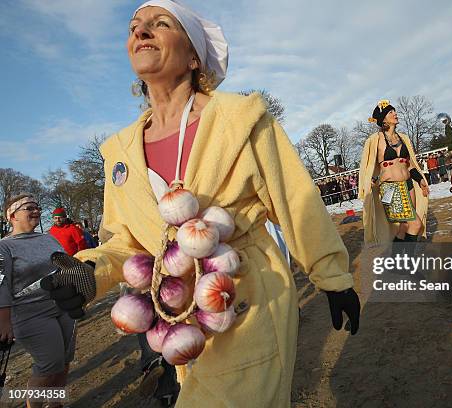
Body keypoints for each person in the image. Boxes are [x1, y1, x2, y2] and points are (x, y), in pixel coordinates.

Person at [40, 1, 360, 406]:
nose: (141, 32)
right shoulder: (119, 152)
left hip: (244, 300)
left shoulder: (240, 119)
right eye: (135, 26)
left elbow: (295, 199)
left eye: (159, 24)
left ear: (194, 56)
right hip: (176, 315)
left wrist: (332, 276)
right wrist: (91, 270)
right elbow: (125, 241)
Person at [0, 194, 77, 408]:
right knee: (49, 364)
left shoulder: (48, 238)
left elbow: (64, 264)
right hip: (30, 313)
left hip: (63, 306)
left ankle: (56, 404)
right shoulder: (3, 247)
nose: (36, 211)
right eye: (29, 208)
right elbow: (1, 285)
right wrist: (4, 321)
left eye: (37, 207)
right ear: (12, 216)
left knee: (64, 361)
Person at [359, 100, 429, 246]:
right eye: (391, 112)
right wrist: (368, 183)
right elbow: (368, 165)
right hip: (391, 189)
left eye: (394, 111)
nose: (395, 114)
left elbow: (410, 165)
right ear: (384, 118)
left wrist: (420, 180)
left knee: (405, 226)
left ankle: (397, 261)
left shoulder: (403, 138)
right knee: (416, 225)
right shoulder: (375, 140)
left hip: (408, 184)